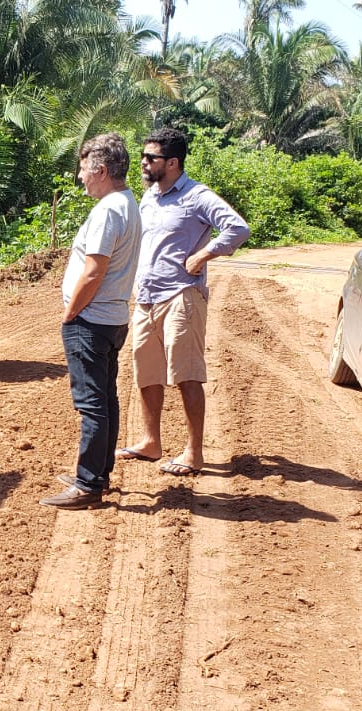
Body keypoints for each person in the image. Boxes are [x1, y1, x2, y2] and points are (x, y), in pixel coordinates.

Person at [117, 127, 250, 477]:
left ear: (172, 162)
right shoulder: (150, 197)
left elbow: (238, 228)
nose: (143, 163)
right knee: (147, 372)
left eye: (151, 158)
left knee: (186, 374)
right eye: (143, 156)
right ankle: (150, 441)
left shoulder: (197, 196)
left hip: (181, 295)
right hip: (146, 297)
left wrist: (205, 254)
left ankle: (194, 452)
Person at [39, 133, 142, 509]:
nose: (79, 176)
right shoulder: (127, 203)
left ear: (99, 170)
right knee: (106, 399)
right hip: (111, 318)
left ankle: (87, 485)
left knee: (92, 403)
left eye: (82, 169)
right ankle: (99, 472)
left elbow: (93, 270)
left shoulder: (108, 210)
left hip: (92, 320)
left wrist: (70, 313)